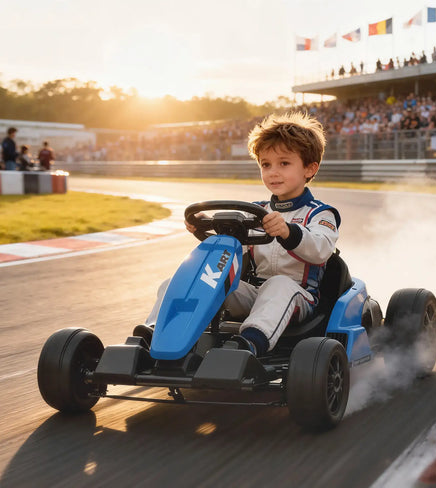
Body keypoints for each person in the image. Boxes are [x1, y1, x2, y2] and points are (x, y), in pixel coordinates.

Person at [136, 112, 339, 357]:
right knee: (185, 281)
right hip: (255, 294)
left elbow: (320, 250)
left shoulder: (320, 214)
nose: (273, 172)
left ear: (309, 168)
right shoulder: (257, 211)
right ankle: (155, 333)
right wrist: (207, 229)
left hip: (301, 297)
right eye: (266, 164)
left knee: (279, 285)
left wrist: (288, 232)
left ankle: (248, 345)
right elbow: (234, 248)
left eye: (284, 163)